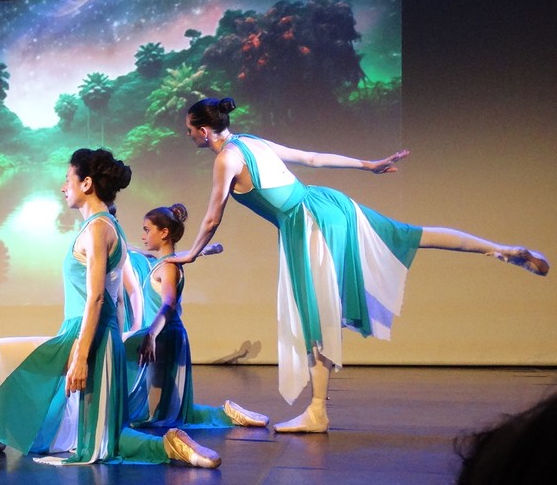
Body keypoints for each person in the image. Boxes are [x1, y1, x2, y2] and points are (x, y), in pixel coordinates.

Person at [171, 97, 550, 433]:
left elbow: (213, 217)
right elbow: (312, 158)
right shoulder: (251, 141)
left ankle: (317, 411)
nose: (188, 136)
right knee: (409, 234)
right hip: (327, 204)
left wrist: (191, 253)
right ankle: (499, 249)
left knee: (316, 315)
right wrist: (368, 165)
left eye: (189, 130)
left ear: (204, 131)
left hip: (306, 225)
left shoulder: (226, 159)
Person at [0, 148, 220, 467]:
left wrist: (81, 356)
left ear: (87, 183)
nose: (64, 187)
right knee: (99, 432)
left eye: (68, 179)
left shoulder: (98, 228)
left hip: (85, 337)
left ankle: (170, 444)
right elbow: (115, 297)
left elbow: (97, 298)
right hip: (90, 335)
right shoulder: (105, 225)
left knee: (103, 439)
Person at [123, 203, 267, 429]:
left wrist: (151, 334)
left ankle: (226, 415)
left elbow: (169, 303)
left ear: (164, 232)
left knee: (160, 413)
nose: (143, 236)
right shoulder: (162, 263)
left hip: (164, 334)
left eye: (147, 230)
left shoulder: (168, 267)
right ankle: (226, 413)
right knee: (163, 409)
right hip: (162, 334)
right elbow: (141, 252)